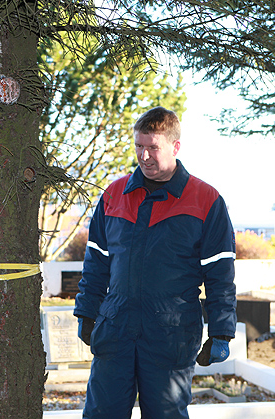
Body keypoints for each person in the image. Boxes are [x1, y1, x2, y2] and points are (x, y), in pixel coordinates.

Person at [74, 106, 236, 418]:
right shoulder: (114, 195)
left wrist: (221, 331)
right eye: (139, 146)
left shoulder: (206, 200)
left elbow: (220, 275)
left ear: (175, 147)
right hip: (115, 327)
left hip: (171, 333)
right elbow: (96, 261)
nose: (145, 156)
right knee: (101, 412)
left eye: (153, 148)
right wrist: (86, 311)